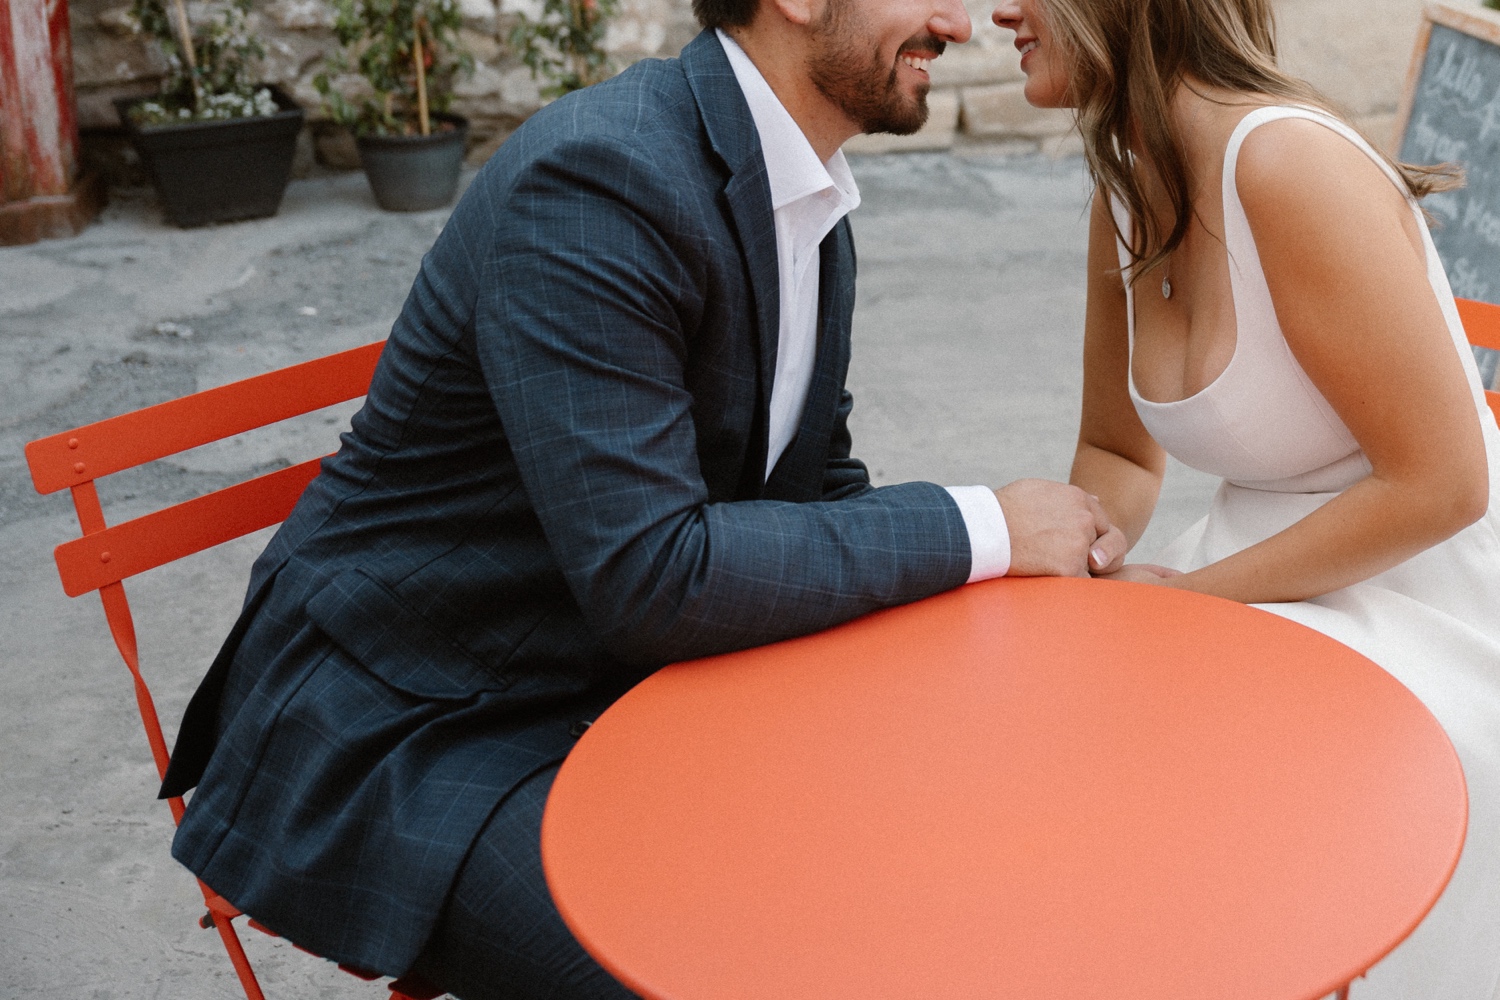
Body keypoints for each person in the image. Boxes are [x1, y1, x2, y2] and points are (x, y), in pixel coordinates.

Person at [158, 0, 1131, 995]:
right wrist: (987, 526)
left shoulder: (808, 197)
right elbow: (652, 573)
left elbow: (814, 489)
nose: (957, 25)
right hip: (414, 720)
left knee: (950, 854)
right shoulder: (595, 179)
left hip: (624, 679)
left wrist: (986, 633)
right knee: (740, 971)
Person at [991, 0, 1500, 994]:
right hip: (1253, 572)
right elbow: (1117, 452)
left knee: (1208, 786)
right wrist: (1079, 568)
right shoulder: (1127, 195)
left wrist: (1179, 610)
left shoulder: (1285, 165)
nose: (1000, 11)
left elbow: (1445, 485)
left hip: (1426, 591)